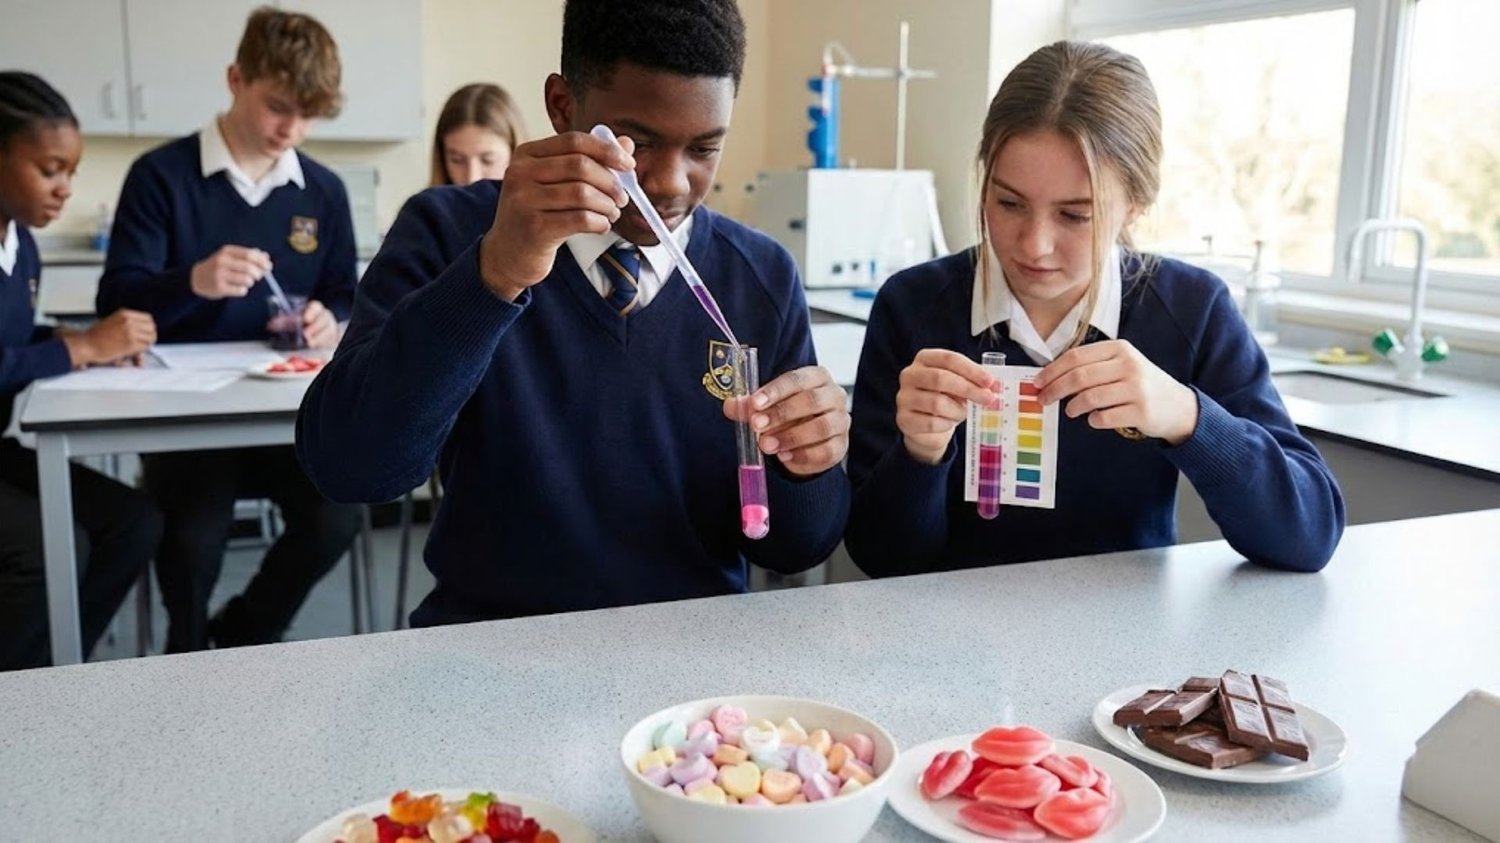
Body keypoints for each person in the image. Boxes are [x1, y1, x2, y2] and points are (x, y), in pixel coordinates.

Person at [297, 0, 850, 626]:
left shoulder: (760, 277)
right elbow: (352, 467)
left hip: (691, 667)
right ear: (564, 107)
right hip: (489, 649)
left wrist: (813, 464)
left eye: (704, 147)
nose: (670, 182)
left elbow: (795, 547)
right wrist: (496, 274)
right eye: (638, 143)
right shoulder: (446, 231)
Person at [845, 41, 1344, 576]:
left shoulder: (1191, 309)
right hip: (942, 639)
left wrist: (1188, 418)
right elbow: (879, 559)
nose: (1034, 245)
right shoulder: (913, 306)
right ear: (984, 178)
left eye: (1076, 215)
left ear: (1135, 203)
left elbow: (1308, 536)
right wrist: (919, 457)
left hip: (1126, 640)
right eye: (1009, 203)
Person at [96, 7, 362, 651]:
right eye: (278, 106)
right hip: (187, 423)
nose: (291, 129)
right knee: (191, 540)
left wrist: (331, 320)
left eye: (307, 114)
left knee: (336, 518)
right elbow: (115, 303)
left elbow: (346, 297)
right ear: (235, 78)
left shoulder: (321, 191)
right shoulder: (161, 177)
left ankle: (241, 637)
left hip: (278, 413)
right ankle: (183, 657)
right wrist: (192, 282)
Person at [0, 71, 162, 670]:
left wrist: (84, 342)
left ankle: (57, 671)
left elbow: (12, 342)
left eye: (70, 170)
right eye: (50, 170)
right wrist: (79, 348)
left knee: (134, 522)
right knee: (46, 548)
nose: (66, 187)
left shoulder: (22, 244)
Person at [430, 83, 526, 187]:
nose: (472, 178)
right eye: (457, 160)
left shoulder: (541, 202)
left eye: (488, 160)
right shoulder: (422, 202)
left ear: (514, 153)